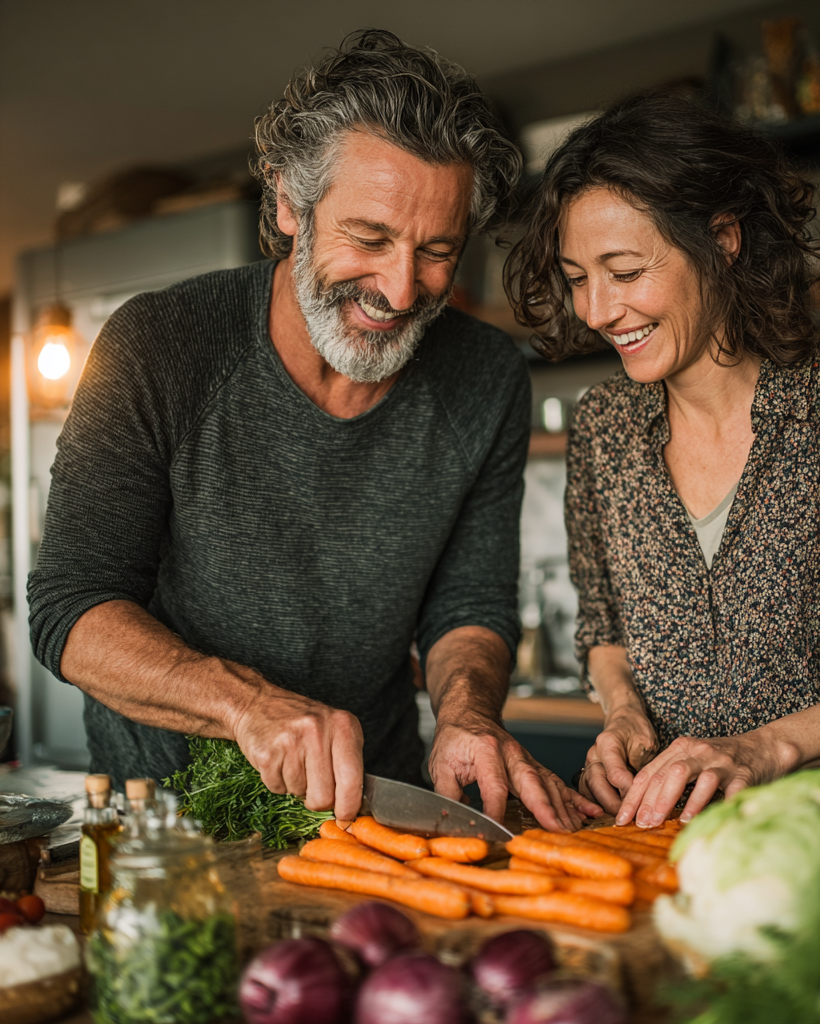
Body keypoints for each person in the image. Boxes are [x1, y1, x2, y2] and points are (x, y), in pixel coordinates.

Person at [28, 31, 599, 833]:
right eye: (369, 239)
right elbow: (71, 607)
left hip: (373, 812)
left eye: (437, 250)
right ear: (290, 202)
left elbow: (467, 605)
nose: (401, 288)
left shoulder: (485, 378)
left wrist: (468, 714)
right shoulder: (159, 345)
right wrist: (247, 706)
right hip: (166, 822)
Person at [505, 92, 820, 829]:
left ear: (721, 238)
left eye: (624, 271)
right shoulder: (604, 428)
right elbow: (604, 629)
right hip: (694, 840)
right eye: (576, 277)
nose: (596, 310)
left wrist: (761, 749)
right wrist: (625, 715)